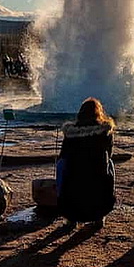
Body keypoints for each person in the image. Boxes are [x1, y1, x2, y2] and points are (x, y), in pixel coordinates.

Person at [56, 97, 117, 226]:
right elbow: (109, 152)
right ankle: (100, 215)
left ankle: (70, 216)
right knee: (110, 163)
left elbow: (63, 154)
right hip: (98, 176)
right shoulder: (105, 131)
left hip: (74, 176)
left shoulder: (70, 132)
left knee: (61, 164)